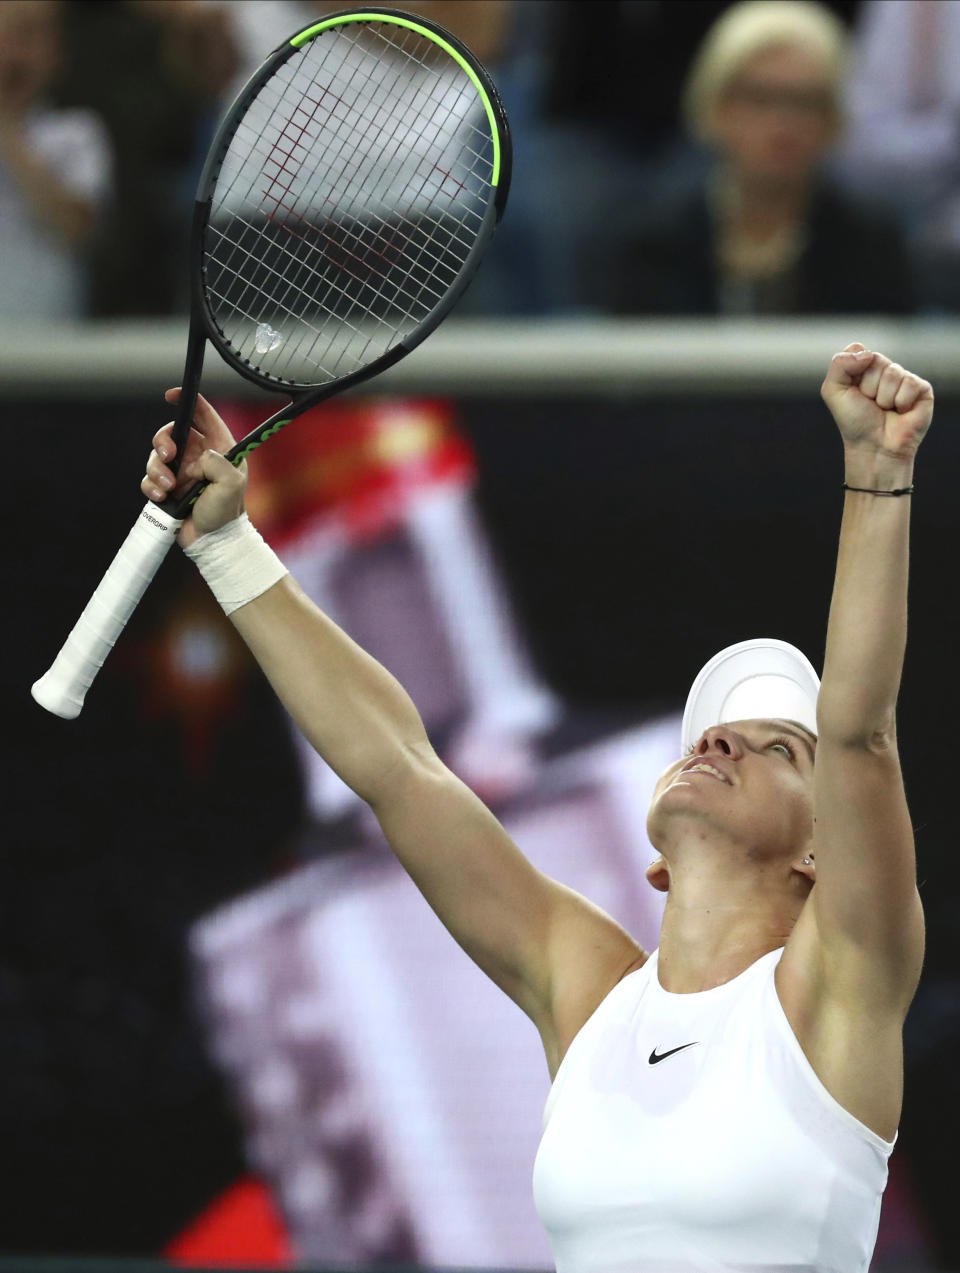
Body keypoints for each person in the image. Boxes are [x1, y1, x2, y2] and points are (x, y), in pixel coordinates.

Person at [141, 342, 929, 1272]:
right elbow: (402, 770)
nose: (721, 740)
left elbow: (861, 733)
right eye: (709, 735)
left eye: (777, 746)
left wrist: (878, 481)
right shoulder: (589, 992)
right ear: (657, 864)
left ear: (820, 856)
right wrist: (229, 548)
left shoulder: (841, 984)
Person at [581, 0, 914, 316]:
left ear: (833, 120)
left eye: (804, 102)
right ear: (716, 107)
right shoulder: (653, 243)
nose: (783, 124)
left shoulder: (872, 245)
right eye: (760, 98)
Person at [0, 0, 112, 320]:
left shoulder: (78, 133)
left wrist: (6, 127)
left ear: (56, 54)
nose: (13, 52)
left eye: (31, 35)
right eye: (6, 32)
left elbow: (75, 228)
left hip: (51, 347)